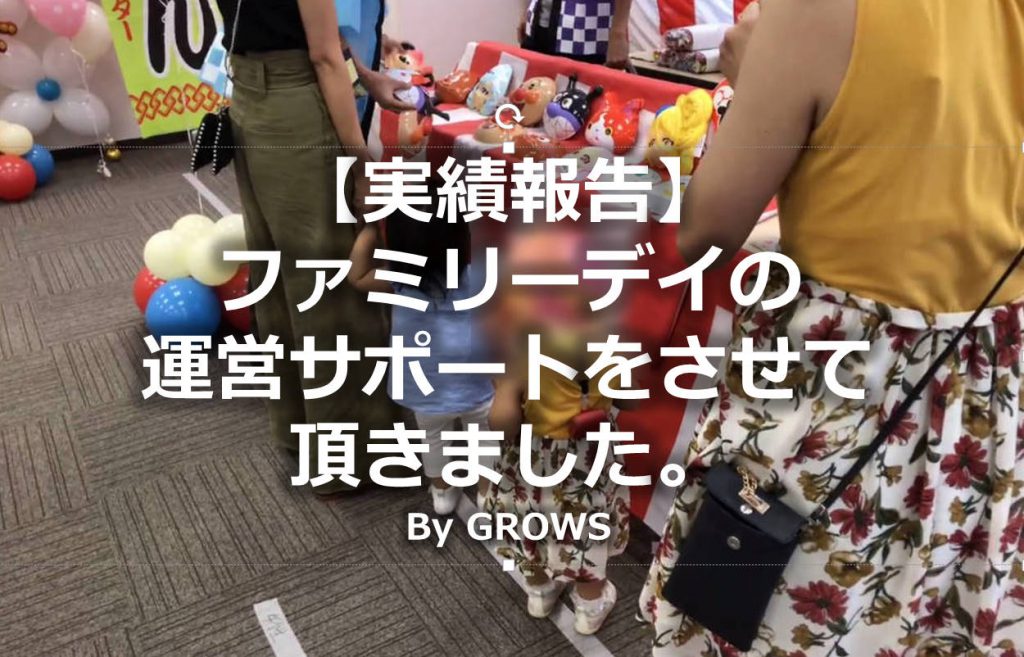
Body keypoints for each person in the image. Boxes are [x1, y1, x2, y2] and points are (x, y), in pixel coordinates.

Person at [641, 0, 1024, 655]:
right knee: (943, 616)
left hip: (843, 390)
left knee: (771, 606)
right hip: (989, 391)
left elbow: (706, 229)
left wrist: (752, 80)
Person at [215, 0, 402, 495]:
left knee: (278, 272)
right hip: (298, 110)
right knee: (331, 284)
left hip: (250, 101)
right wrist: (360, 165)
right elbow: (321, 56)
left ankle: (297, 427)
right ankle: (351, 457)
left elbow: (302, 36)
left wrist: (366, 77)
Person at [481, 227, 634, 636]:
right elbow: (630, 398)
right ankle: (589, 607)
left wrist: (506, 391)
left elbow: (501, 420)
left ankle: (540, 591)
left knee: (526, 525)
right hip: (589, 458)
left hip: (531, 459)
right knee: (585, 533)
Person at [347, 201, 495, 515]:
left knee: (432, 438)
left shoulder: (399, 280)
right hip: (475, 384)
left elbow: (356, 276)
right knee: (484, 440)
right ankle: (487, 494)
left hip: (423, 386)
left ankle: (442, 493)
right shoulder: (477, 276)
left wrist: (370, 228)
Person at [518, 0, 633, 68]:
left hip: (585, 34)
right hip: (537, 26)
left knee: (579, 98)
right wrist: (526, 10)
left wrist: (618, 33)